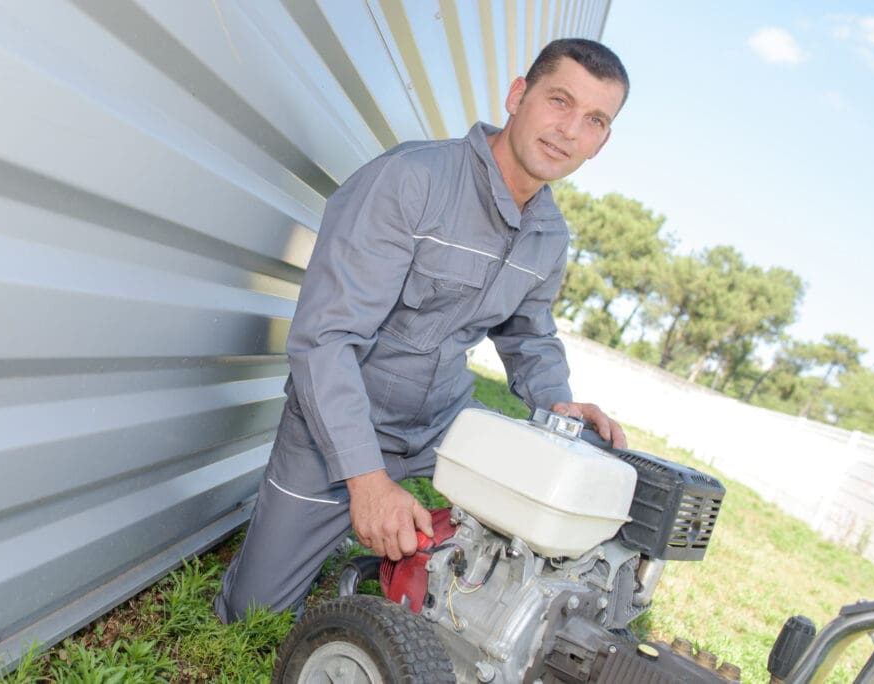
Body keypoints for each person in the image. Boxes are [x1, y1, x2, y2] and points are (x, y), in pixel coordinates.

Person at [215, 38, 630, 622]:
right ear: (518, 95)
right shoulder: (411, 180)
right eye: (559, 100)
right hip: (339, 421)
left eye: (593, 120)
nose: (568, 130)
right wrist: (366, 480)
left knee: (545, 529)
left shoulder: (550, 236)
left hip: (442, 426)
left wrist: (559, 402)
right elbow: (324, 340)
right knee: (253, 614)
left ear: (601, 141)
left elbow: (528, 333)